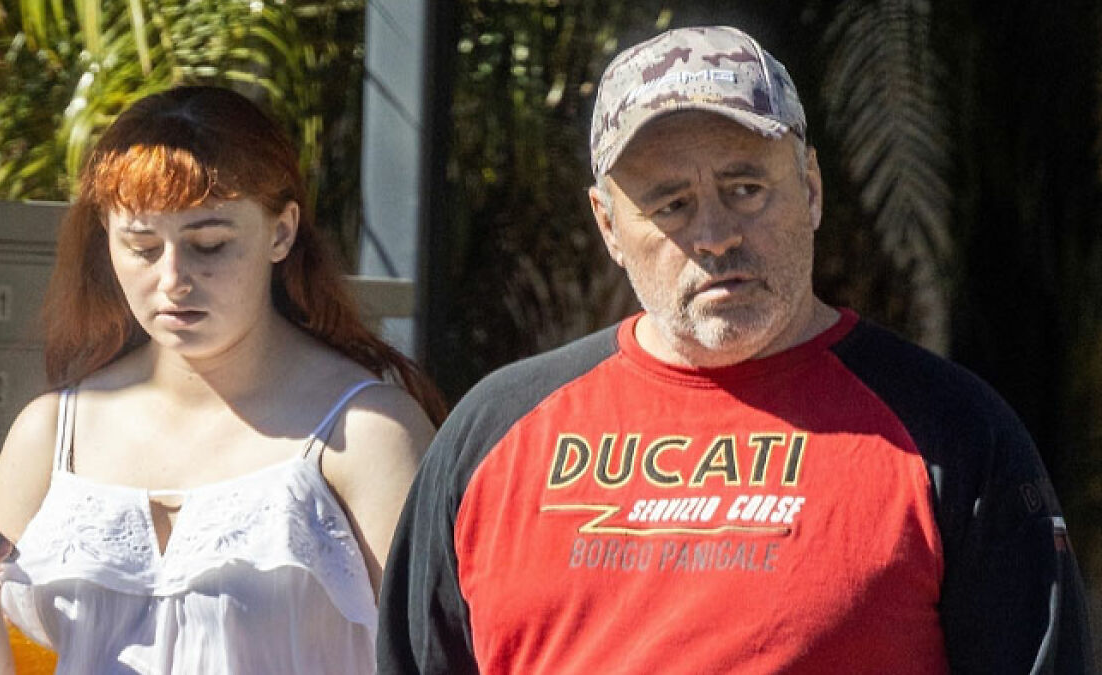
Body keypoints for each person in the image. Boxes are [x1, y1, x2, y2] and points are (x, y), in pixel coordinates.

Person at [377, 25, 1095, 674]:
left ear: (810, 188)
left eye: (746, 188)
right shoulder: (494, 435)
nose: (715, 234)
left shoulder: (955, 433)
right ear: (608, 226)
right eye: (671, 205)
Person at [0, 85, 444, 674]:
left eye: (209, 244)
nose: (173, 278)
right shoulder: (50, 433)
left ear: (282, 232)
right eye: (140, 247)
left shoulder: (368, 435)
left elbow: (435, 657)